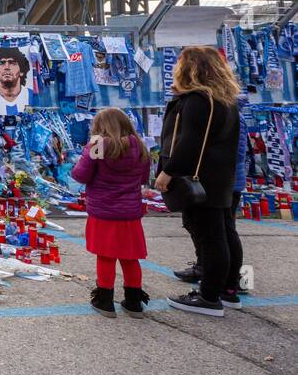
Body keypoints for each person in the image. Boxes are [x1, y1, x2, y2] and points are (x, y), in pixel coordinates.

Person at [154, 46, 242, 317]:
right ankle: (228, 289)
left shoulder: (198, 100)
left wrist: (168, 171)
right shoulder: (224, 99)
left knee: (210, 238)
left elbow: (189, 142)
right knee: (224, 233)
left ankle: (209, 296)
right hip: (220, 178)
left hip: (200, 178)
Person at [71, 108, 152, 317]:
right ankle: (134, 301)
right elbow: (144, 178)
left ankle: (105, 300)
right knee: (130, 257)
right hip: (129, 212)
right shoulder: (139, 145)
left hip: (104, 211)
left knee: (106, 256)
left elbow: (81, 175)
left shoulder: (99, 144)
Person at [174, 94, 248, 302]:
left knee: (217, 234)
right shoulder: (230, 112)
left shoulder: (225, 113)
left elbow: (228, 152)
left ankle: (222, 283)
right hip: (227, 180)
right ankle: (223, 281)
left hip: (222, 181)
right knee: (218, 232)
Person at [0, 46, 30, 116]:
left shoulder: (31, 96)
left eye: (12, 63)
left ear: (21, 71)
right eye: (1, 63)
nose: (7, 67)